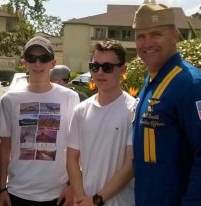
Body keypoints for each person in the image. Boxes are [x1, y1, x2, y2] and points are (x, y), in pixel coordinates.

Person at [132, 2, 201, 206]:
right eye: (141, 36)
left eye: (156, 34)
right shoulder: (153, 80)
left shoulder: (193, 85)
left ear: (175, 36)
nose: (147, 43)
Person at [0, 36, 80, 206]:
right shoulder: (10, 99)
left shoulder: (70, 97)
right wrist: (1, 188)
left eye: (44, 58)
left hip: (58, 193)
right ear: (24, 62)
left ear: (53, 63)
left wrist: (72, 185)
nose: (38, 63)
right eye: (32, 58)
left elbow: (77, 146)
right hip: (18, 193)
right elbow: (4, 147)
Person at [67, 39, 135, 206]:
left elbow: (130, 165)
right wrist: (82, 197)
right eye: (94, 67)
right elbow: (71, 159)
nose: (99, 73)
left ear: (123, 70)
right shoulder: (81, 110)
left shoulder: (133, 109)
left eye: (107, 67)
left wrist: (96, 200)